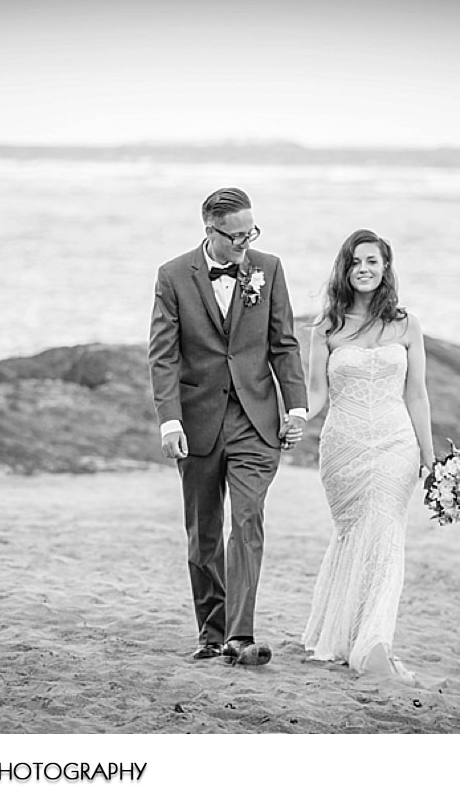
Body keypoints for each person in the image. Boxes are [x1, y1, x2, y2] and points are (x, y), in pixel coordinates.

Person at [148, 187, 308, 666]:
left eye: (250, 233)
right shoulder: (173, 276)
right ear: (209, 230)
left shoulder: (269, 268)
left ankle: (239, 635)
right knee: (204, 534)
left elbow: (284, 343)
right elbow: (163, 355)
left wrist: (295, 407)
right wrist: (169, 421)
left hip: (255, 420)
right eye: (235, 236)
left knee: (246, 521)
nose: (244, 243)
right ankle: (211, 632)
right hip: (197, 422)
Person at [301, 229, 435, 683]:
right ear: (345, 267)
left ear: (385, 267)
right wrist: (297, 417)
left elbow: (417, 395)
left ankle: (375, 643)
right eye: (356, 261)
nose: (364, 268)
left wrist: (429, 458)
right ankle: (349, 637)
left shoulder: (406, 325)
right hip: (344, 448)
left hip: (397, 444)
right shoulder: (326, 329)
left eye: (373, 261)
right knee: (355, 535)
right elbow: (318, 394)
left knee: (385, 536)